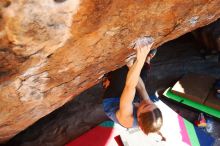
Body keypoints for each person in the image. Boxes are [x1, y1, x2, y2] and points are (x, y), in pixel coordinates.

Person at [102, 42, 163, 136]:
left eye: (145, 105)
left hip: (113, 99)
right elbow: (142, 89)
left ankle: (108, 79)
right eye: (151, 103)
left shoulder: (127, 118)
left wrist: (139, 59)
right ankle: (148, 58)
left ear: (138, 117)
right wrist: (132, 65)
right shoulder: (148, 108)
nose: (147, 101)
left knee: (123, 71)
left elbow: (130, 86)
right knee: (141, 77)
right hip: (131, 101)